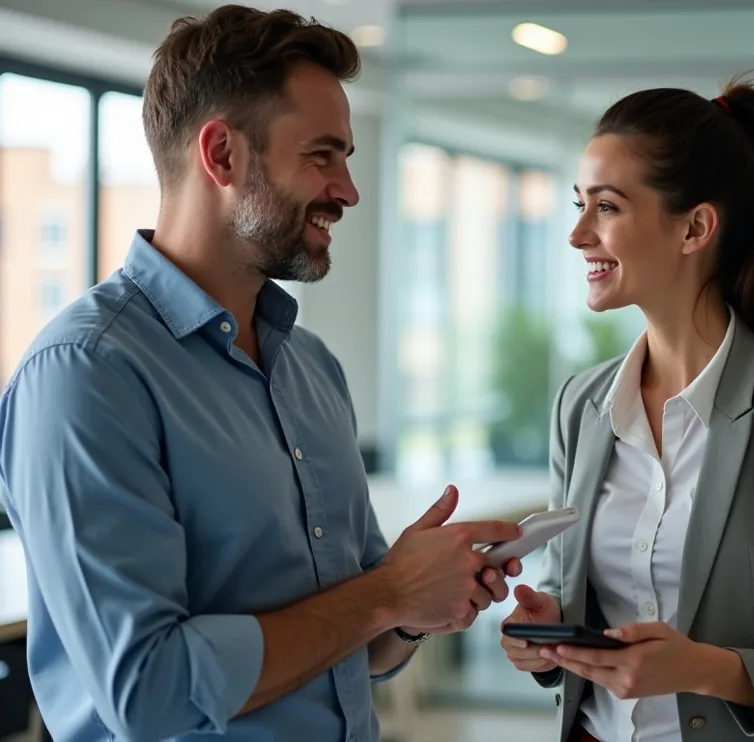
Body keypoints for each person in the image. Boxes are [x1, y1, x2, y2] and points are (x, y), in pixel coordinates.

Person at [0, 6, 522, 742]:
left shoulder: (313, 369)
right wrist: (386, 594)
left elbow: (359, 645)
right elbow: (147, 691)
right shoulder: (86, 375)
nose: (348, 190)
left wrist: (415, 605)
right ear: (223, 155)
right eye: (322, 156)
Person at [500, 81, 754, 742]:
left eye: (606, 206)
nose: (577, 234)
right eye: (579, 205)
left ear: (694, 227)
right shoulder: (580, 406)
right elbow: (574, 599)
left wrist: (707, 670)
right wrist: (550, 636)